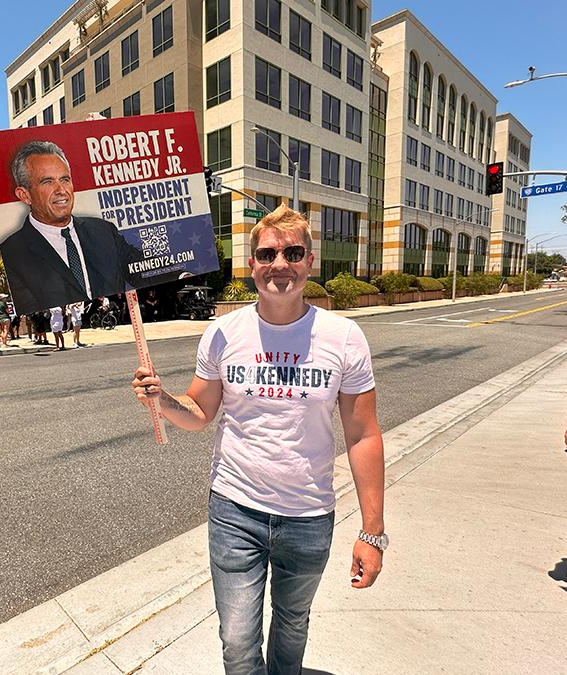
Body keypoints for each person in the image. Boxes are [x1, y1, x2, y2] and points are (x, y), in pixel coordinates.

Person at [130, 204, 387, 674]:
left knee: (292, 626)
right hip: (235, 510)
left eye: (293, 252)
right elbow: (200, 412)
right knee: (238, 637)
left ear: (311, 260)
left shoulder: (344, 337)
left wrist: (372, 532)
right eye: (268, 254)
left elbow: (363, 435)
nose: (280, 264)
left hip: (309, 517)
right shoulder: (224, 333)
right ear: (251, 266)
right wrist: (162, 400)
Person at [0, 140, 145, 315]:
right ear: (25, 195)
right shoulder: (11, 254)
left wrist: (182, 275)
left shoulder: (104, 231)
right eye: (47, 181)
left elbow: (145, 268)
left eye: (65, 179)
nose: (61, 190)